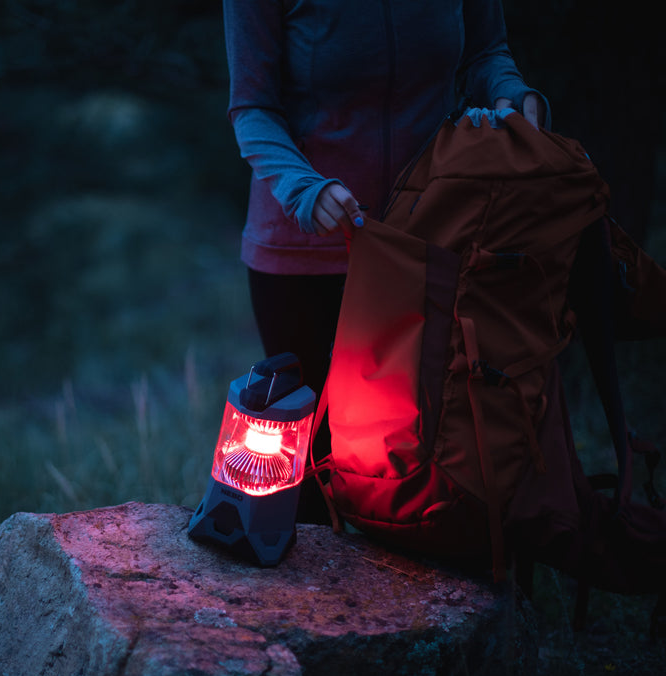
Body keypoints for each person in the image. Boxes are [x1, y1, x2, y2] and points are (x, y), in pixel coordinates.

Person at [223, 1, 548, 520]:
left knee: (429, 453)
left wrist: (512, 92)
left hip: (428, 235)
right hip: (304, 246)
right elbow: (252, 107)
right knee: (309, 471)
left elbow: (485, 52)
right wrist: (303, 188)